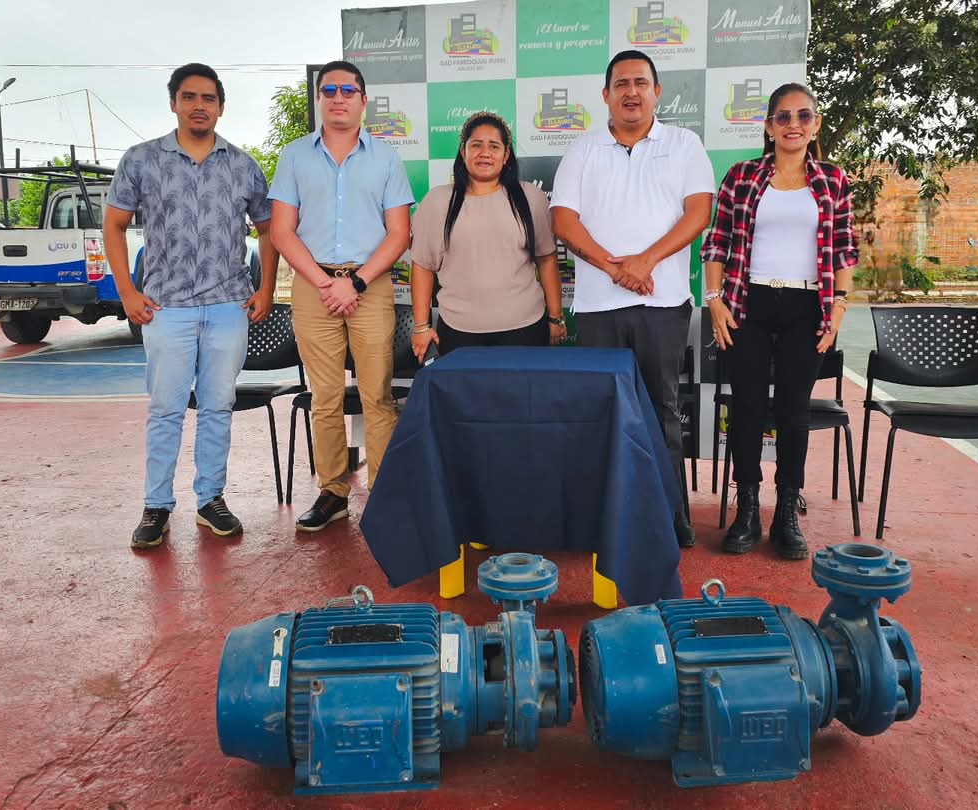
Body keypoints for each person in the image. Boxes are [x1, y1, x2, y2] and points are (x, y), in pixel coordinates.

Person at [105, 63, 277, 550]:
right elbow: (114, 225)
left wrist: (265, 289)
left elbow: (268, 229)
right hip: (166, 308)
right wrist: (127, 292)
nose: (199, 106)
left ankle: (210, 499)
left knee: (218, 406)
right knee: (166, 409)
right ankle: (156, 505)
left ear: (221, 107)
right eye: (189, 97)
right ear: (174, 103)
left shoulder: (242, 165)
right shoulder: (141, 160)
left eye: (208, 98)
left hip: (228, 307)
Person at [550, 50, 715, 548]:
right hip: (598, 306)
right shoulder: (582, 149)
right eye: (621, 83)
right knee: (601, 411)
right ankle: (605, 515)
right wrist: (615, 268)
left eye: (641, 82)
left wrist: (645, 261)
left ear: (656, 92)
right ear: (606, 95)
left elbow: (698, 214)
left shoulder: (684, 144)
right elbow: (563, 220)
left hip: (663, 304)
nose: (631, 92)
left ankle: (670, 513)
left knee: (662, 407)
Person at [701, 82, 858, 560]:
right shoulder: (742, 176)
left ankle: (786, 512)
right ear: (769, 126)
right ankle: (747, 510)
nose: (794, 124)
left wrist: (838, 309)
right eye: (783, 117)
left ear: (816, 124)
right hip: (747, 304)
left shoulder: (832, 180)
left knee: (793, 412)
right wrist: (715, 301)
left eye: (803, 116)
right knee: (747, 409)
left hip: (807, 308)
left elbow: (845, 248)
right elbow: (717, 242)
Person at [268, 60, 413, 532]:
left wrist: (355, 282)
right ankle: (333, 492)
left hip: (369, 286)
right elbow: (282, 232)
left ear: (363, 100)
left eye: (348, 90)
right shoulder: (294, 157)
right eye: (328, 90)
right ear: (319, 99)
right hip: (314, 290)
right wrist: (325, 282)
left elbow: (399, 234)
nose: (338, 98)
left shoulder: (386, 158)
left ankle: (386, 494)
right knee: (325, 397)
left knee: (378, 396)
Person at [410, 111, 564, 360]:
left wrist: (556, 317)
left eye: (494, 146)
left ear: (506, 155)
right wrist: (421, 327)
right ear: (463, 152)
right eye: (476, 145)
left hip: (525, 328)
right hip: (458, 330)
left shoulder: (530, 197)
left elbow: (546, 259)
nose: (485, 153)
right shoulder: (437, 201)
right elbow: (422, 266)